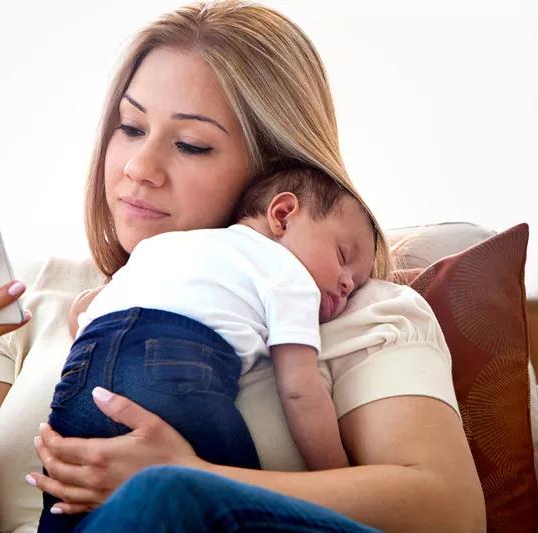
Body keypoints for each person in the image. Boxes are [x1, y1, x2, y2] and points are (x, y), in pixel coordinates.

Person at [0, 1, 486, 532]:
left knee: (163, 499)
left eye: (191, 144)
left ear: (275, 179)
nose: (139, 166)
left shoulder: (351, 305)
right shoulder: (30, 296)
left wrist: (198, 479)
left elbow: (447, 512)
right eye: (130, 126)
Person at [40, 167, 376, 531]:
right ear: (282, 215)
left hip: (80, 381)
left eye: (356, 285)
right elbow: (300, 391)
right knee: (231, 498)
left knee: (67, 494)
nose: (346, 284)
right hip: (176, 368)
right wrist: (339, 479)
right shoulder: (289, 274)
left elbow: (82, 320)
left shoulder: (162, 246)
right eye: (343, 256)